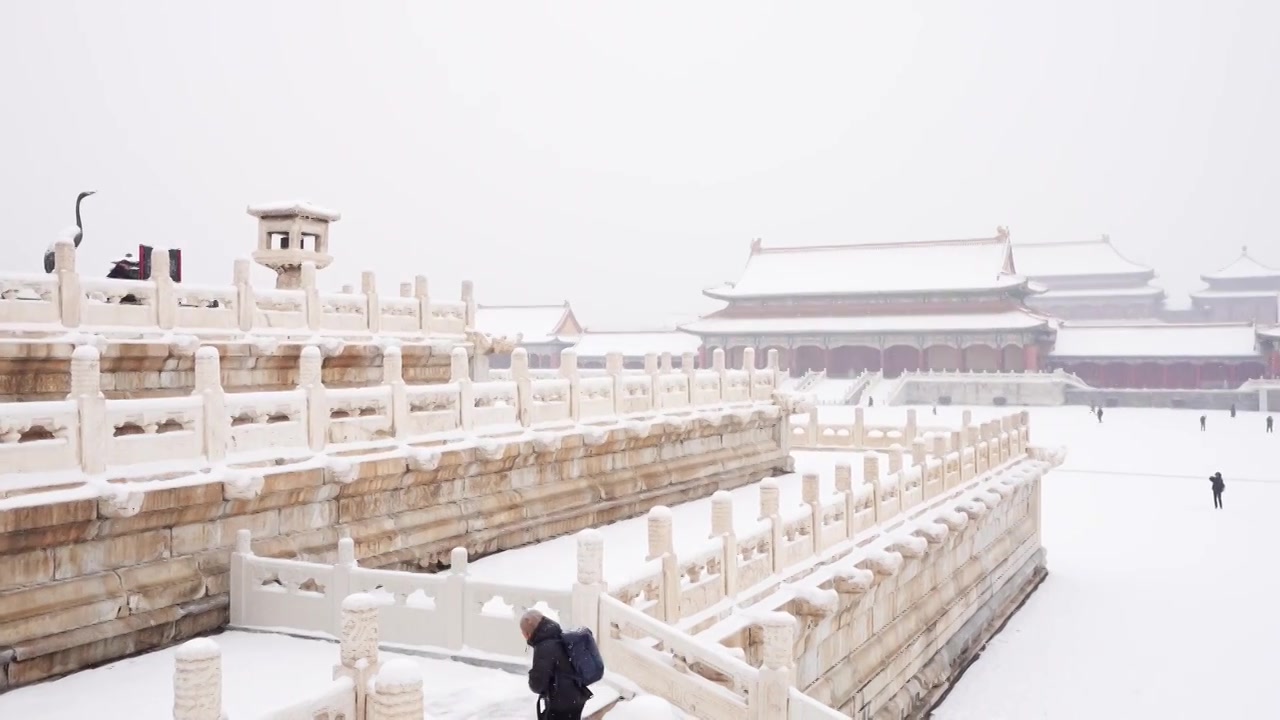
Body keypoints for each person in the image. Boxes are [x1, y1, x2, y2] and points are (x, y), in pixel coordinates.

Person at [522, 609, 590, 720]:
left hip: (562, 701)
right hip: (576, 694)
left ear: (527, 633)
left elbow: (538, 685)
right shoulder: (558, 636)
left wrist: (532, 674)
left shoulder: (544, 646)